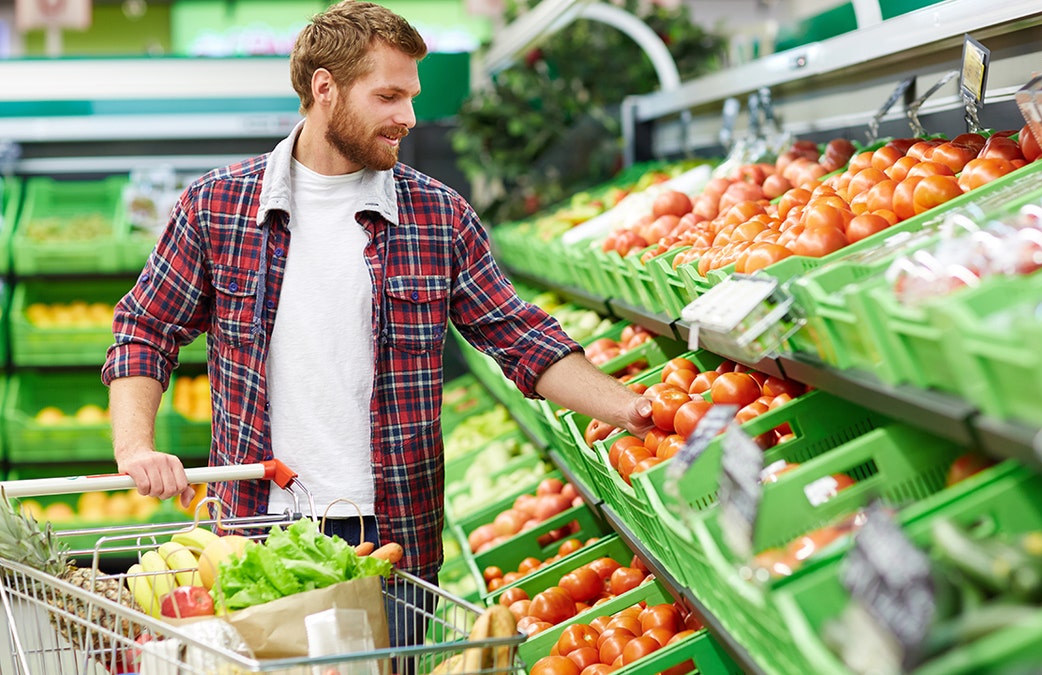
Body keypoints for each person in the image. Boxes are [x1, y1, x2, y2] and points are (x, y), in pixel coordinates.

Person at [103, 0, 652, 587]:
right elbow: (145, 328)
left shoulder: (437, 215)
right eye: (388, 97)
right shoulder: (217, 206)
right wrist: (135, 448)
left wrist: (633, 410)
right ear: (325, 89)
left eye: (411, 96)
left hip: (391, 539)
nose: (409, 117)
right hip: (255, 532)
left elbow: (520, 338)